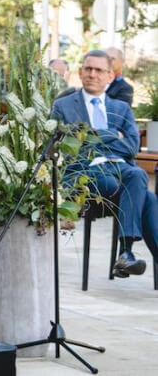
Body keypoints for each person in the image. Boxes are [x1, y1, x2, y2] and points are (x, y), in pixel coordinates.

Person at [51, 49, 157, 278]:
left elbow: (131, 147)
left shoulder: (121, 108)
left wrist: (92, 136)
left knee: (137, 175)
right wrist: (111, 135)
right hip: (85, 172)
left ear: (110, 75)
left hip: (120, 168)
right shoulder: (64, 105)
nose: (92, 74)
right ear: (80, 72)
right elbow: (66, 146)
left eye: (99, 70)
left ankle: (126, 254)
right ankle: (127, 253)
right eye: (88, 69)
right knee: (145, 195)